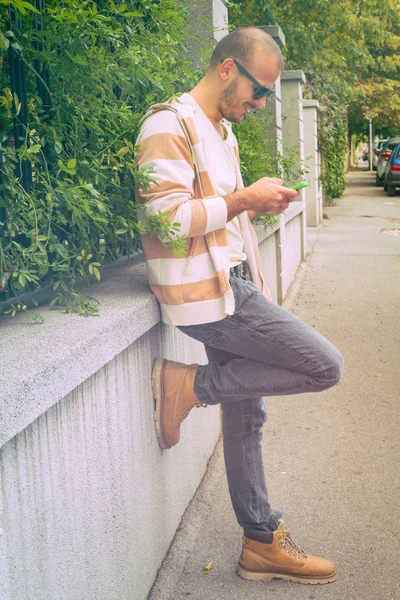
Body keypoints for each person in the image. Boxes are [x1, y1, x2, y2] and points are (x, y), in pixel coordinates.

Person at [135, 27, 344, 585]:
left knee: (248, 412)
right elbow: (167, 219)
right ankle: (188, 387)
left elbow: (228, 222)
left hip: (233, 282)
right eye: (259, 91)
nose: (260, 104)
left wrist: (254, 254)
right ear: (228, 68)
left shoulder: (220, 131)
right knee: (326, 366)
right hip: (206, 294)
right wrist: (243, 198)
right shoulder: (167, 125)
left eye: (269, 96)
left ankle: (260, 542)